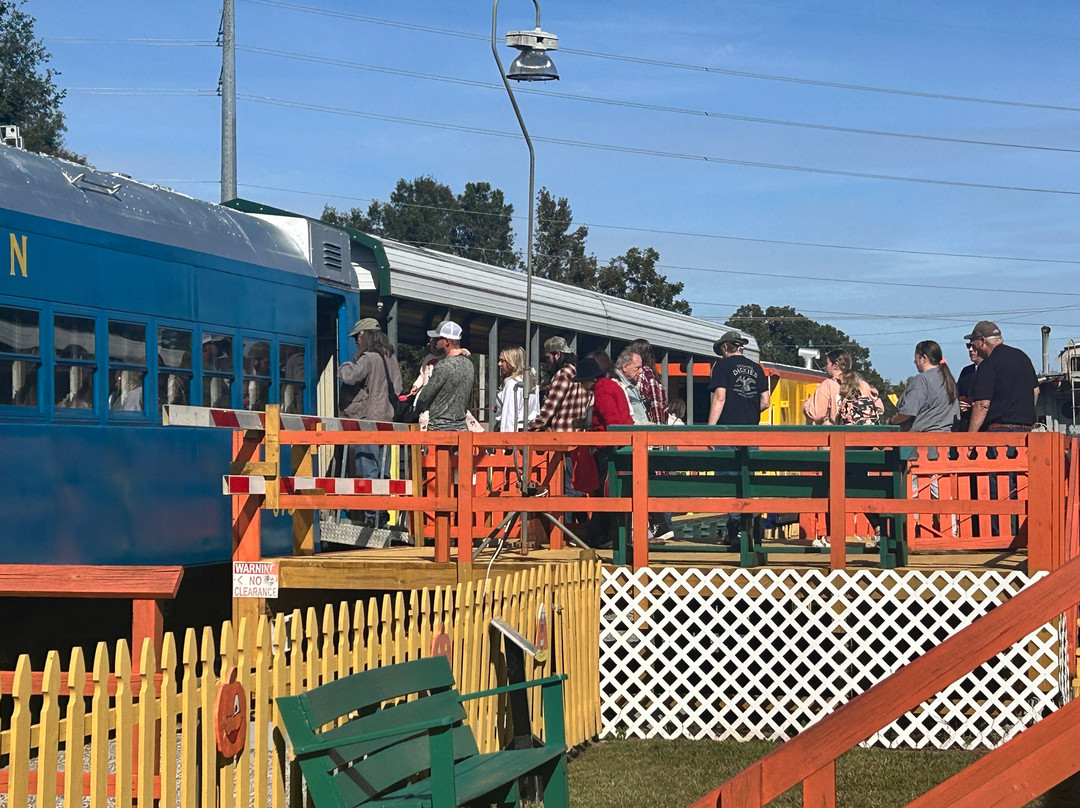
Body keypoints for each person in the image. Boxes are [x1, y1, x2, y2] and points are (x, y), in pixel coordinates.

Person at [338, 318, 403, 526]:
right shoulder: (390, 358)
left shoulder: (368, 358)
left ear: (365, 336)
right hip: (387, 420)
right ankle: (381, 515)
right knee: (383, 470)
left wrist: (344, 366)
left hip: (367, 421)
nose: (356, 341)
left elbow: (350, 377)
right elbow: (398, 388)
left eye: (358, 336)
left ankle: (372, 517)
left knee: (367, 469)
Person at [964, 321, 1039, 432]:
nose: (973, 348)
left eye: (973, 343)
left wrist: (971, 437)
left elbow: (982, 405)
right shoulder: (1022, 357)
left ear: (982, 341)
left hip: (999, 432)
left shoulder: (988, 363)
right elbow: (1036, 391)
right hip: (1025, 431)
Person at [414, 320, 474, 432]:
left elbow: (425, 397)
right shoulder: (469, 365)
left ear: (447, 341)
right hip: (461, 427)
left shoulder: (444, 365)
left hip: (439, 426)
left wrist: (416, 406)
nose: (434, 342)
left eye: (437, 339)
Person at [888, 341, 959, 433]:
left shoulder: (921, 380)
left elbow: (907, 412)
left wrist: (892, 421)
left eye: (916, 358)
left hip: (923, 441)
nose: (914, 361)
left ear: (924, 358)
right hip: (947, 440)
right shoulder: (948, 380)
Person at [803, 349, 884, 426]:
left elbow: (817, 415)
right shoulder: (863, 385)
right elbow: (880, 409)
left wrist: (808, 405)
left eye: (827, 363)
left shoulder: (827, 385)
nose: (825, 367)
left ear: (835, 365)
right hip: (865, 435)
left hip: (839, 436)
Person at [707, 331, 769, 426]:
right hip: (751, 429)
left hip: (727, 428)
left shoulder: (721, 365)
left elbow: (720, 398)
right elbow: (765, 402)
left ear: (725, 347)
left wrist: (710, 428)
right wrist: (748, 412)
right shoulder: (757, 368)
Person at [529, 337, 589, 433]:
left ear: (557, 354)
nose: (547, 361)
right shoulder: (578, 373)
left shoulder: (563, 375)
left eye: (548, 357)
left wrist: (533, 427)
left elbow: (550, 407)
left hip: (561, 432)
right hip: (578, 432)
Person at [492, 346, 538, 432]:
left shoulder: (513, 385)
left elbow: (509, 416)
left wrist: (506, 440)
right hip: (528, 432)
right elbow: (536, 412)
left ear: (512, 362)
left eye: (502, 360)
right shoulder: (531, 383)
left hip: (515, 434)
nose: (499, 364)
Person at [630, 339, 668, 425]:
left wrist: (657, 427)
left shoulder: (644, 374)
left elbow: (655, 403)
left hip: (647, 424)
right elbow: (662, 405)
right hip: (658, 424)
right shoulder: (655, 376)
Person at [612, 348, 648, 424]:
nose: (641, 371)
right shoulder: (617, 386)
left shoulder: (631, 385)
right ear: (625, 367)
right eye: (637, 368)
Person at [954, 341, 982, 432]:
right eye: (968, 346)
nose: (970, 350)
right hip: (965, 423)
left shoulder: (992, 370)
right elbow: (957, 394)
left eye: (974, 347)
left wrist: (975, 405)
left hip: (984, 427)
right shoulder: (966, 371)